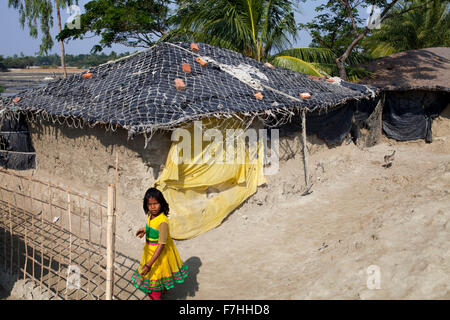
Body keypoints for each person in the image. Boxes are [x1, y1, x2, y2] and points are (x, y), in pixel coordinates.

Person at [131, 187, 188, 300]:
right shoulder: (151, 216)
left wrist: (149, 264)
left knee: (153, 282)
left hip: (157, 256)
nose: (152, 207)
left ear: (161, 203)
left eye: (155, 203)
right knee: (158, 278)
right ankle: (162, 290)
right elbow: (153, 227)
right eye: (149, 204)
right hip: (149, 251)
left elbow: (161, 245)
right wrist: (145, 229)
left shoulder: (163, 222)